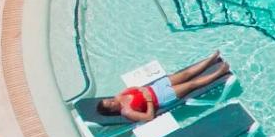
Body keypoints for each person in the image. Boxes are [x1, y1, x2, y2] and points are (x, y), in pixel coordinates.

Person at [94, 52, 228, 123]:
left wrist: (141, 89)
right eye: (110, 103)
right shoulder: (127, 112)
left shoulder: (119, 96)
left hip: (156, 86)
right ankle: (219, 72)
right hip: (161, 97)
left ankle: (211, 59)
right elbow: (149, 117)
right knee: (192, 84)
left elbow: (133, 87)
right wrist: (148, 100)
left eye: (109, 99)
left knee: (185, 74)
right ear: (112, 110)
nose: (112, 100)